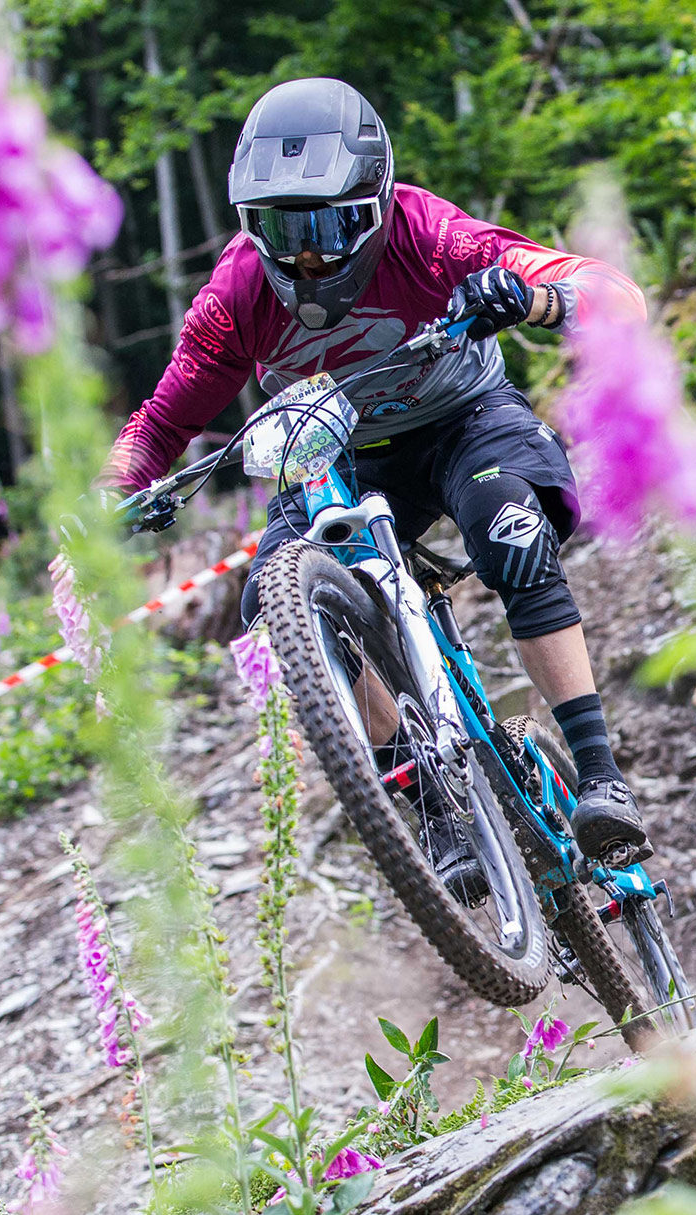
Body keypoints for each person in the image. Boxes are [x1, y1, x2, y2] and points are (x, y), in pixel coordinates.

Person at [96, 78, 647, 896]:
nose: (309, 254)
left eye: (327, 223)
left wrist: (532, 296)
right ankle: (433, 808)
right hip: (333, 459)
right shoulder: (238, 293)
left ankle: (601, 778)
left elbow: (614, 295)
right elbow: (161, 421)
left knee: (509, 529)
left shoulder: (428, 233)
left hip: (462, 421)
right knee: (275, 611)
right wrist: (110, 494)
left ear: (377, 202)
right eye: (284, 229)